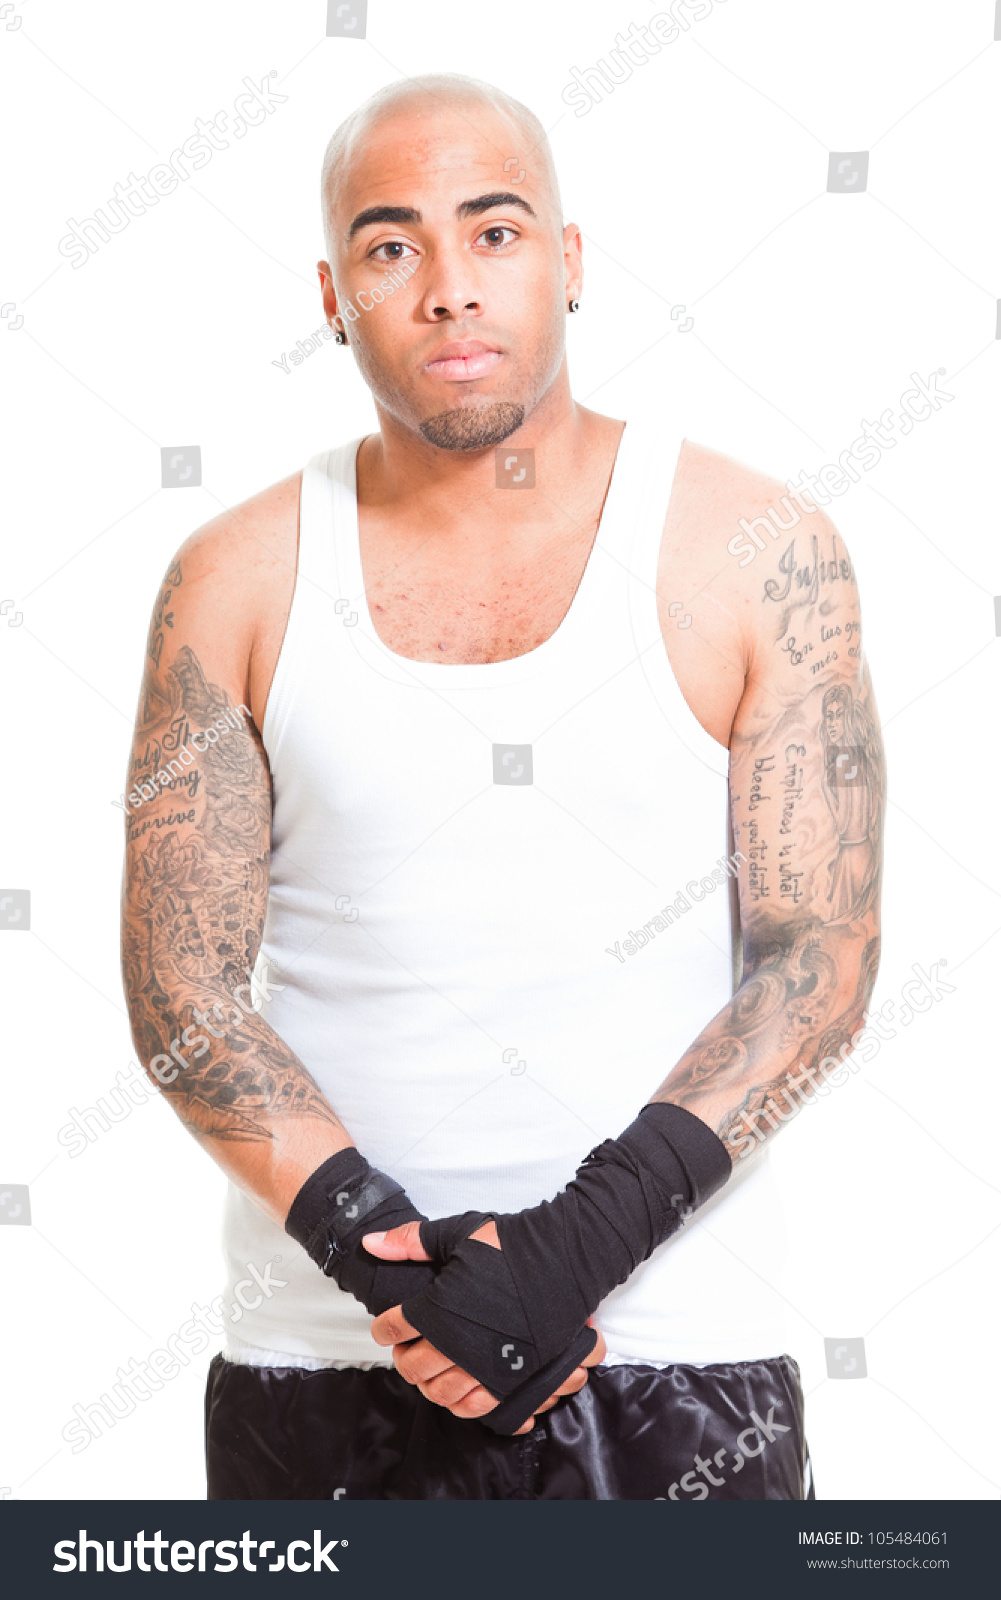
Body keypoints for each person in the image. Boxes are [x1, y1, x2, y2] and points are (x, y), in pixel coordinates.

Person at [120, 72, 885, 1501]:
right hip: (324, 1360)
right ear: (335, 292)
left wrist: (575, 1246)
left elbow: (818, 955)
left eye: (495, 232)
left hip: (670, 1354)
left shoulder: (756, 551)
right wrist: (383, 1258)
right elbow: (184, 994)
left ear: (569, 260)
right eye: (391, 244)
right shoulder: (230, 580)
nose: (448, 289)